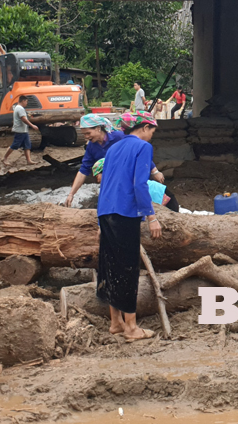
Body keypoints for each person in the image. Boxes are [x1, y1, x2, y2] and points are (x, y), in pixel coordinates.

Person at [96, 110, 162, 340]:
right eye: (152, 131)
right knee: (127, 268)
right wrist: (151, 217)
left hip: (106, 210)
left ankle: (116, 323)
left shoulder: (113, 148)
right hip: (125, 213)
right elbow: (140, 184)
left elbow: (106, 182)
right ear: (144, 128)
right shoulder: (143, 147)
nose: (152, 136)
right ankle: (132, 328)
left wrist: (100, 218)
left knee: (110, 266)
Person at [65, 114, 127, 207]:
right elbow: (83, 170)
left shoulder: (119, 137)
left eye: (88, 133)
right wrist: (71, 194)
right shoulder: (91, 146)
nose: (86, 137)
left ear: (98, 128)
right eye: (84, 134)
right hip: (108, 184)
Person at [2, 100, 39, 166]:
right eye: (26, 102)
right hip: (20, 131)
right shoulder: (20, 108)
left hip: (24, 130)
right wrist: (32, 125)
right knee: (15, 145)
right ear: (23, 101)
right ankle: (5, 158)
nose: (26, 103)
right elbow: (24, 119)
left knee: (27, 145)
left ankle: (29, 160)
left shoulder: (17, 108)